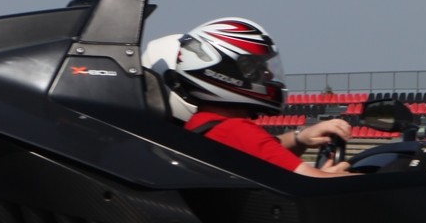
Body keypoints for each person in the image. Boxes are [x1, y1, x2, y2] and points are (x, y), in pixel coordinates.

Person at [142, 19, 355, 177]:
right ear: (224, 73)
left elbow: (264, 152)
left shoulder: (207, 126)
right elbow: (310, 181)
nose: (268, 75)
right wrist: (340, 177)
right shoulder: (235, 130)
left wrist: (300, 138)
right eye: (256, 67)